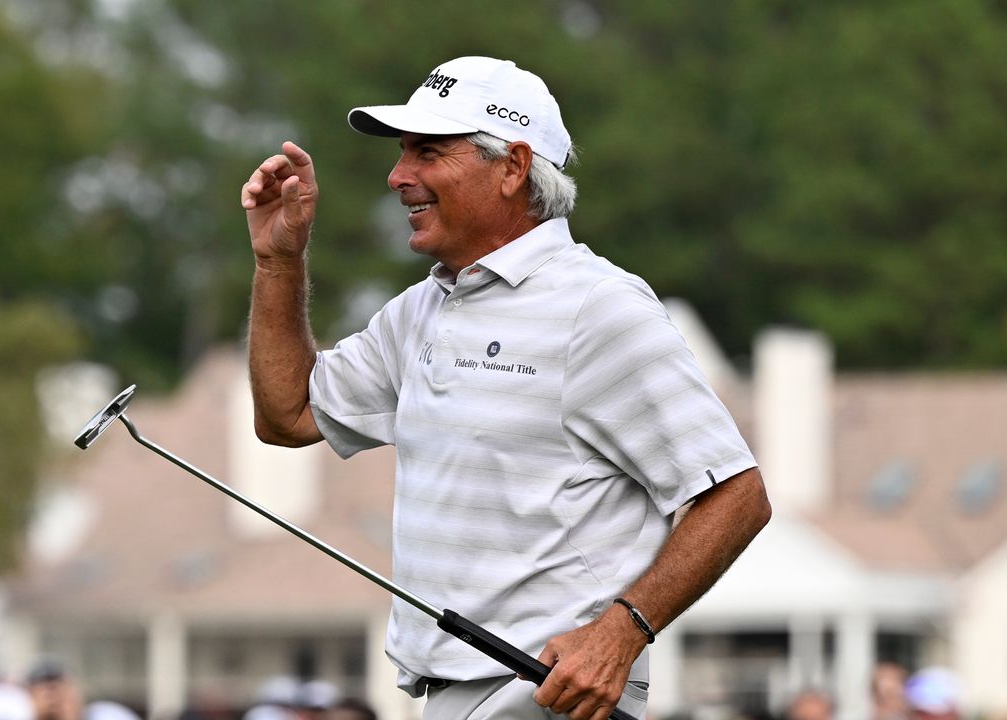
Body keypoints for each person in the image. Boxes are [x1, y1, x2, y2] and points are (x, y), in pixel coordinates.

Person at [243, 55, 772, 720]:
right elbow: (288, 415)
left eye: (427, 152)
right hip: (451, 692)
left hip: (549, 695)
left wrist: (620, 631)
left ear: (514, 168)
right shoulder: (421, 310)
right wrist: (278, 261)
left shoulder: (599, 307)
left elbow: (736, 494)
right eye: (403, 153)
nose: (398, 176)